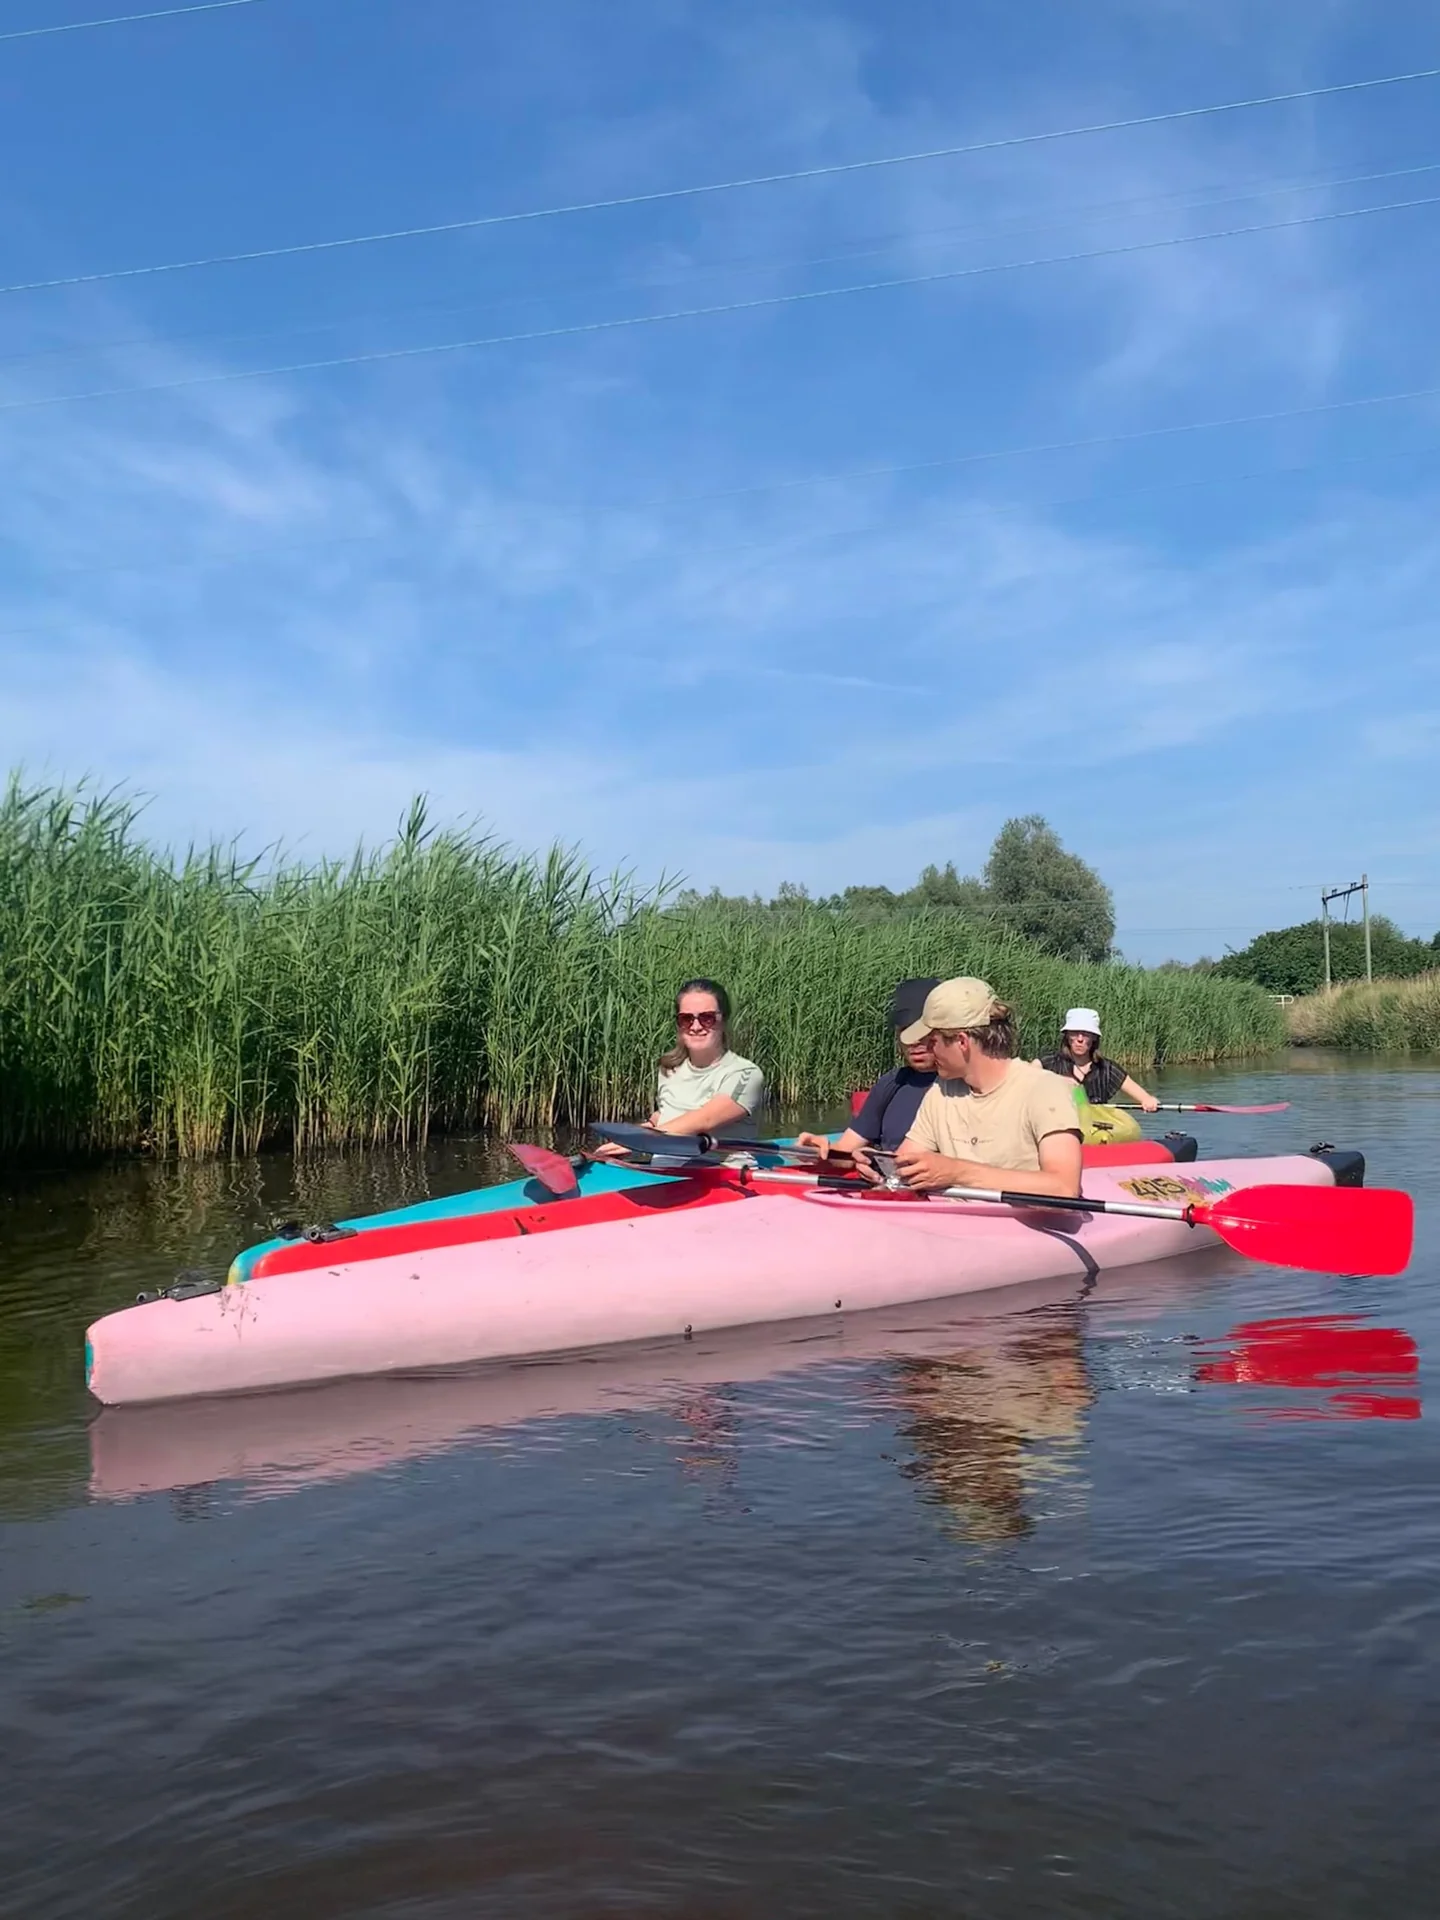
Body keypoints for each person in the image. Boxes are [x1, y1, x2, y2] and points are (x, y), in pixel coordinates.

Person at [860, 976, 1083, 1198]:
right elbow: (903, 1167)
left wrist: (957, 1172)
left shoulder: (1044, 1089)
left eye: (932, 1042)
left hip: (1024, 1229)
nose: (928, 1050)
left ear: (962, 1042)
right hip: (951, 1226)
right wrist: (878, 1167)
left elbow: (1064, 1187)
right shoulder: (941, 1091)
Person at [595, 979, 765, 1159]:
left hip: (721, 1175)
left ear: (723, 1020)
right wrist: (647, 1127)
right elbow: (669, 1111)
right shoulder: (669, 1068)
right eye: (687, 1019)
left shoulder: (745, 1073)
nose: (696, 1026)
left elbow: (705, 1119)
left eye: (707, 1018)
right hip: (664, 1174)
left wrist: (638, 1140)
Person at [795, 977, 939, 1160]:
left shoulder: (962, 1087)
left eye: (922, 1032)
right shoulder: (893, 1082)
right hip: (889, 1179)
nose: (914, 1041)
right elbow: (845, 1153)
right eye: (905, 1030)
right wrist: (820, 1150)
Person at [1037, 1008, 1159, 1112]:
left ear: (1094, 1037)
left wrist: (1149, 1101)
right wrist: (1057, 1081)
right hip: (1058, 1128)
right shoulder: (1049, 1062)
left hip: (1095, 1131)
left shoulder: (1107, 1069)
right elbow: (1023, 1075)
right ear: (1067, 1036)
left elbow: (1144, 1097)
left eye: (1086, 1034)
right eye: (1074, 1033)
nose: (1080, 1039)